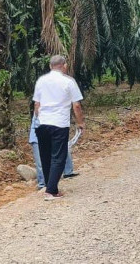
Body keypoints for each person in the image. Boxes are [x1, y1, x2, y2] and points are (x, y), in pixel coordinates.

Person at [33, 55, 85, 200]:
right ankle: (50, 191)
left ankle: (52, 188)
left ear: (50, 66)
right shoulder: (69, 81)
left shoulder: (41, 81)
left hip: (42, 123)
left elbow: (36, 105)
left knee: (46, 156)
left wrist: (39, 118)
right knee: (58, 156)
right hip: (59, 123)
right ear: (65, 66)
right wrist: (80, 122)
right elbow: (76, 105)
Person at [29, 116, 77, 189]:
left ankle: (67, 172)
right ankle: (43, 184)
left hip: (52, 131)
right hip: (41, 135)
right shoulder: (41, 108)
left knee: (60, 152)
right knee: (42, 162)